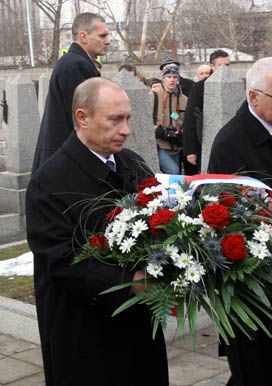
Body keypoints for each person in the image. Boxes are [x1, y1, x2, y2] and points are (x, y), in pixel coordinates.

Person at [26, 78, 169, 386]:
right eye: (115, 119)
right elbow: (61, 261)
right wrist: (130, 282)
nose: (126, 130)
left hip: (137, 327)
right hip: (85, 335)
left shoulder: (132, 163)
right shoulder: (49, 181)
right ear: (82, 117)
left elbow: (160, 219)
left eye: (128, 118)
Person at [208, 57, 272, 386]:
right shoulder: (230, 142)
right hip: (252, 275)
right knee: (254, 360)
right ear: (254, 97)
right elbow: (221, 213)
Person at [32, 12, 110, 172]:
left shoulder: (75, 61)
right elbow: (84, 119)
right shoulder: (76, 65)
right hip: (66, 162)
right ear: (83, 37)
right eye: (102, 36)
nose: (108, 41)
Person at [183, 49, 230, 174]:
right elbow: (190, 119)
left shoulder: (235, 84)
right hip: (204, 142)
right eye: (221, 65)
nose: (225, 69)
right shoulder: (199, 88)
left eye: (227, 65)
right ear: (212, 67)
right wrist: (190, 150)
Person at [151, 64, 188, 174]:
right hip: (159, 145)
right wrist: (159, 130)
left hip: (176, 146)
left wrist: (180, 132)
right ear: (163, 79)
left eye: (175, 77)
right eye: (169, 77)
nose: (172, 80)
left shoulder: (184, 99)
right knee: (174, 172)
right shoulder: (153, 96)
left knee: (175, 176)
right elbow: (143, 122)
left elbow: (186, 122)